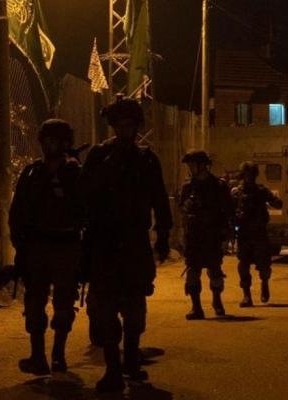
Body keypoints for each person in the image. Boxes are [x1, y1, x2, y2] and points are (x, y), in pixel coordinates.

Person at [81, 95, 172, 392]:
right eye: (120, 126)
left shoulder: (146, 159)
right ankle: (113, 369)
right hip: (104, 243)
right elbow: (84, 196)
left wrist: (163, 236)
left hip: (134, 243)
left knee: (135, 310)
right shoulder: (99, 156)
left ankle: (131, 360)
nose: (125, 131)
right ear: (114, 127)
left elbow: (159, 199)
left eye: (130, 126)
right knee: (106, 310)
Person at [9, 119, 83, 376]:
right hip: (37, 246)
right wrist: (20, 246)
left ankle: (58, 355)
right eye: (47, 141)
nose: (49, 146)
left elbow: (86, 210)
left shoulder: (74, 173)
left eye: (55, 141)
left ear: (65, 143)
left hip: (65, 245)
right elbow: (17, 212)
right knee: (34, 302)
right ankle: (39, 356)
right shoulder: (32, 173)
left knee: (64, 303)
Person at [179, 150, 232, 320]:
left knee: (215, 270)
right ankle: (196, 307)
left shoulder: (218, 186)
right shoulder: (188, 187)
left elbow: (227, 212)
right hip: (194, 236)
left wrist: (226, 236)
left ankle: (217, 300)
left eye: (192, 165)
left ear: (202, 166)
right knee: (192, 271)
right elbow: (182, 210)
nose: (190, 168)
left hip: (212, 236)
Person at [231, 162, 283, 307]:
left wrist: (273, 199)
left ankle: (264, 283)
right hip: (244, 234)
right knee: (243, 265)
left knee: (264, 265)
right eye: (247, 174)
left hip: (259, 233)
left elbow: (278, 204)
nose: (250, 177)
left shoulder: (261, 191)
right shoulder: (236, 192)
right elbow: (229, 211)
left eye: (252, 174)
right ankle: (246, 295)